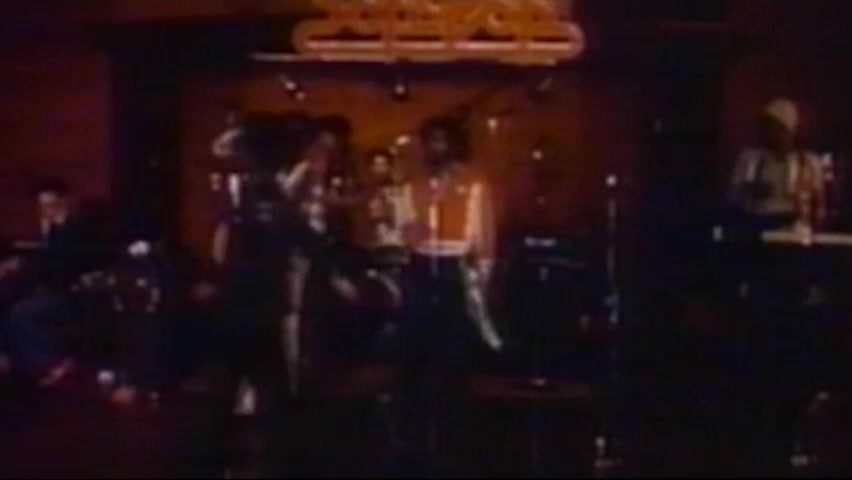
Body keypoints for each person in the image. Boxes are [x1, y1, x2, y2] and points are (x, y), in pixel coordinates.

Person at [388, 115, 503, 475]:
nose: (433, 148)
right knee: (413, 353)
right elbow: (400, 227)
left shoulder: (473, 182)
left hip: (456, 268)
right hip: (421, 267)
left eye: (440, 140)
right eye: (429, 141)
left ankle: (455, 441)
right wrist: (406, 232)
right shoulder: (412, 183)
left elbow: (484, 236)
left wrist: (482, 283)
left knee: (453, 356)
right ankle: (410, 439)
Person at [0, 178, 102, 387]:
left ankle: (51, 364)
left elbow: (60, 265)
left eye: (51, 205)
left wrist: (21, 267)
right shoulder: (55, 228)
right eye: (42, 206)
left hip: (71, 293)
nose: (46, 211)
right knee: (4, 295)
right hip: (50, 287)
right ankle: (7, 357)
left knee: (21, 313)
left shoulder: (77, 228)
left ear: (64, 202)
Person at [727, 98, 827, 231]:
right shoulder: (749, 158)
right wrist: (748, 190)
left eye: (773, 127)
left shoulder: (809, 162)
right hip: (756, 227)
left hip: (795, 231)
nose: (767, 132)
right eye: (765, 127)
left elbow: (819, 203)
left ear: (788, 130)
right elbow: (732, 196)